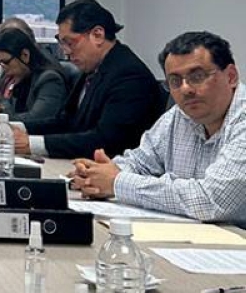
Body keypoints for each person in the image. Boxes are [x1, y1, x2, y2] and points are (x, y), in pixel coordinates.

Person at [70, 31, 246, 225]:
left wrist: (117, 182)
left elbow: (211, 200)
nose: (185, 89)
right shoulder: (179, 116)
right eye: (175, 81)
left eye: (197, 76)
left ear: (231, 77)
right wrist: (98, 175)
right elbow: (140, 163)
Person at [0, 0, 164, 159]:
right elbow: (66, 121)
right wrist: (11, 127)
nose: (66, 52)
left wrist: (31, 144)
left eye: (70, 42)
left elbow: (105, 141)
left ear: (98, 35)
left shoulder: (128, 75)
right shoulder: (93, 68)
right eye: (62, 43)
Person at [0, 28, 68, 121]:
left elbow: (36, 119)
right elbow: (12, 107)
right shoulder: (22, 75)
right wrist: (0, 106)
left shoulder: (50, 79)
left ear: (25, 55)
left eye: (6, 62)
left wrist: (1, 117)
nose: (2, 67)